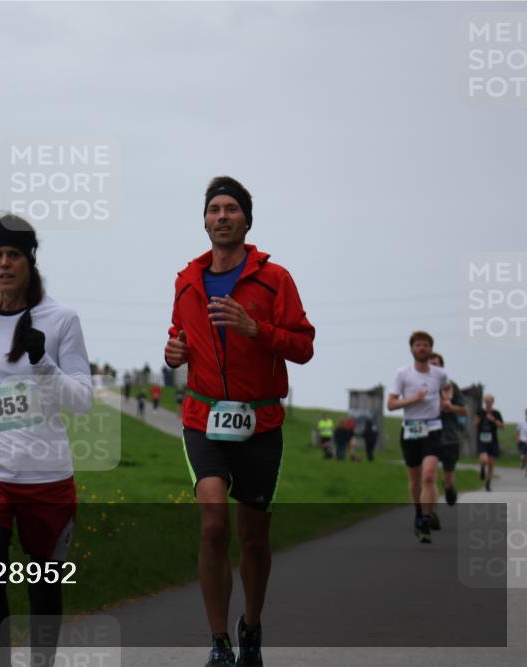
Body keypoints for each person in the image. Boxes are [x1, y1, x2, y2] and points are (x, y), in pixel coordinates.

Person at [164, 176, 314, 667]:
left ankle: (250, 626)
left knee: (253, 537)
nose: (222, 216)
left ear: (247, 220)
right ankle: (217, 642)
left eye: (231, 209)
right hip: (202, 416)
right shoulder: (187, 280)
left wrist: (257, 329)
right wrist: (173, 353)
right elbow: (177, 340)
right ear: (204, 220)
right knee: (212, 521)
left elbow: (304, 346)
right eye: (214, 209)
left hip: (260, 422)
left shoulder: (275, 280)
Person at [0, 213, 93, 667]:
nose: (4, 264)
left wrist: (41, 361)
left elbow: (83, 399)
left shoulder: (62, 320)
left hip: (46, 473)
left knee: (44, 584)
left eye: (13, 255)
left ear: (30, 260)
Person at [387, 331, 449, 543]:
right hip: (411, 429)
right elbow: (391, 404)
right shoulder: (403, 374)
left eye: (425, 345)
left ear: (431, 349)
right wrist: (413, 399)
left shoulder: (439, 374)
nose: (422, 348)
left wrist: (445, 401)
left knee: (429, 476)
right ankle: (418, 513)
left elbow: (447, 388)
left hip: (433, 428)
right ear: (412, 349)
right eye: (418, 345)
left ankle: (425, 518)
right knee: (415, 480)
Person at [428, 353, 468, 508]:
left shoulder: (451, 386)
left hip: (450, 438)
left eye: (436, 364)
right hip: (430, 436)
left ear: (442, 367)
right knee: (430, 476)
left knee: (448, 479)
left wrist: (451, 407)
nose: (433, 367)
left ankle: (449, 488)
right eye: (430, 364)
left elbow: (464, 410)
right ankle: (432, 513)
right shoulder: (421, 387)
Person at [474, 394, 504, 492]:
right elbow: (474, 425)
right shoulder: (480, 412)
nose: (487, 403)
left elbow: (502, 426)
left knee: (491, 463)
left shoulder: (496, 413)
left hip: (493, 441)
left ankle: (488, 482)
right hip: (482, 440)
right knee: (485, 460)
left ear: (492, 402)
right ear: (484, 402)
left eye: (489, 401)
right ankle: (482, 467)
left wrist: (493, 420)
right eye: (486, 401)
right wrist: (477, 422)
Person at [517, 409, 527, 474]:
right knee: (523, 456)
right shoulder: (521, 422)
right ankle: (522, 462)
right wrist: (518, 439)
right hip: (522, 441)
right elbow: (517, 431)